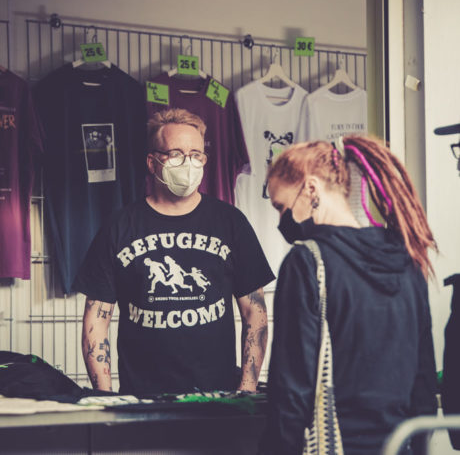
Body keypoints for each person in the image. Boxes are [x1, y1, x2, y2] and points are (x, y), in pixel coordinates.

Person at [74, 108, 274, 395]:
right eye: (176, 154)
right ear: (152, 162)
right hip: (142, 398)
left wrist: (247, 389)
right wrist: (105, 398)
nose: (188, 163)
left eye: (196, 154)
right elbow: (96, 319)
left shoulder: (230, 223)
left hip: (217, 398)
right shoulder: (120, 226)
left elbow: (255, 312)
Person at [260, 135, 438, 455]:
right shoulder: (408, 259)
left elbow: (292, 390)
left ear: (311, 189)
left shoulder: (306, 261)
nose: (280, 220)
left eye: (281, 207)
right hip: (401, 445)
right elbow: (423, 380)